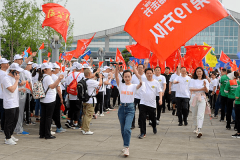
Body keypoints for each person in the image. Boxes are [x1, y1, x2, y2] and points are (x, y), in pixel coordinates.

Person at [115, 63, 142, 157]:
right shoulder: (121, 85)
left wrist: (135, 69)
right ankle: (125, 146)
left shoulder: (134, 86)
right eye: (125, 77)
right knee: (123, 129)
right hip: (121, 108)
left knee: (127, 128)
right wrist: (116, 68)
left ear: (131, 77)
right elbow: (116, 77)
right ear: (123, 77)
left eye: (128, 76)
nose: (127, 78)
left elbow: (141, 82)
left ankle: (126, 147)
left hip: (130, 108)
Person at [131, 63, 162, 139]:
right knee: (142, 118)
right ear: (145, 74)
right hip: (143, 103)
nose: (149, 74)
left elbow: (160, 91)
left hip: (152, 104)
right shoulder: (143, 79)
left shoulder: (156, 82)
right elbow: (137, 74)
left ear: (153, 73)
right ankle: (142, 133)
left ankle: (154, 126)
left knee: (153, 118)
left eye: (150, 73)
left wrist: (160, 99)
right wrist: (133, 67)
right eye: (147, 73)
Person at [39, 63, 64, 139]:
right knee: (48, 117)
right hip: (49, 99)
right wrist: (59, 79)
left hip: (43, 99)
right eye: (49, 69)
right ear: (45, 70)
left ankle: (42, 133)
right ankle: (47, 134)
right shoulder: (48, 77)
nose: (51, 70)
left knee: (43, 117)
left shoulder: (42, 77)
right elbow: (52, 86)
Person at [14, 52, 36, 135]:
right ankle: (18, 129)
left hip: (22, 92)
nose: (21, 61)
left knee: (20, 112)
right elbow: (16, 79)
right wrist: (21, 81)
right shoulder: (13, 68)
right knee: (19, 112)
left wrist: (31, 56)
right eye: (19, 59)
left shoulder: (18, 68)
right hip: (19, 92)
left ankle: (18, 128)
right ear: (15, 60)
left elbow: (24, 63)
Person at [2, 63, 23, 145]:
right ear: (13, 71)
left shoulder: (14, 78)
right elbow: (11, 89)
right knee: (9, 121)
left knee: (15, 120)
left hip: (15, 102)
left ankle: (10, 134)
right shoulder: (6, 78)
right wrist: (17, 80)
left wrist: (20, 89)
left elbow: (14, 88)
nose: (18, 74)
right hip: (9, 103)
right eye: (17, 72)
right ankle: (7, 138)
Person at [189, 67, 209, 138]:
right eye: (197, 71)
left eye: (200, 71)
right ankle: (195, 126)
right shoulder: (192, 80)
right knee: (194, 114)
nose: (199, 73)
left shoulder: (205, 80)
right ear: (196, 72)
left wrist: (204, 86)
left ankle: (200, 129)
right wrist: (201, 88)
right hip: (194, 98)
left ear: (202, 72)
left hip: (202, 98)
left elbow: (206, 91)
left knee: (200, 115)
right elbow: (191, 89)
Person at [81, 68, 102, 135]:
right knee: (89, 115)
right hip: (91, 100)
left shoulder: (83, 80)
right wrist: (100, 77)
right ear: (89, 74)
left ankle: (83, 128)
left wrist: (96, 74)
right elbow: (100, 84)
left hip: (85, 99)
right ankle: (86, 130)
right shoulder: (91, 81)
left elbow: (92, 79)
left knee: (85, 115)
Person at [65, 63, 83, 129]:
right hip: (78, 95)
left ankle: (69, 120)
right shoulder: (82, 75)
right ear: (80, 69)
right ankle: (76, 122)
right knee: (78, 109)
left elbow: (67, 85)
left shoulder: (69, 74)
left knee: (71, 109)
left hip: (71, 94)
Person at [51, 63, 66, 133]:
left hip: (51, 96)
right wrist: (61, 98)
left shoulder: (49, 76)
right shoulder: (55, 77)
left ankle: (56, 126)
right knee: (56, 112)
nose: (59, 70)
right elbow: (58, 88)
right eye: (58, 68)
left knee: (52, 112)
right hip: (55, 95)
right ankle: (58, 127)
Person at [131, 64, 146, 129]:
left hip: (142, 96)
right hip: (134, 96)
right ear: (137, 68)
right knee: (132, 110)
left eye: (141, 68)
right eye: (139, 67)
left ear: (143, 69)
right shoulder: (133, 76)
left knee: (141, 111)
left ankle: (140, 123)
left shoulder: (145, 77)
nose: (140, 69)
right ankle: (132, 124)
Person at [0, 58, 10, 132]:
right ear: (1, 65)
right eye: (6, 63)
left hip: (3, 95)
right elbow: (3, 85)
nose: (7, 65)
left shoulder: (5, 72)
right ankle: (3, 127)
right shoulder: (2, 73)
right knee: (3, 112)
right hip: (2, 95)